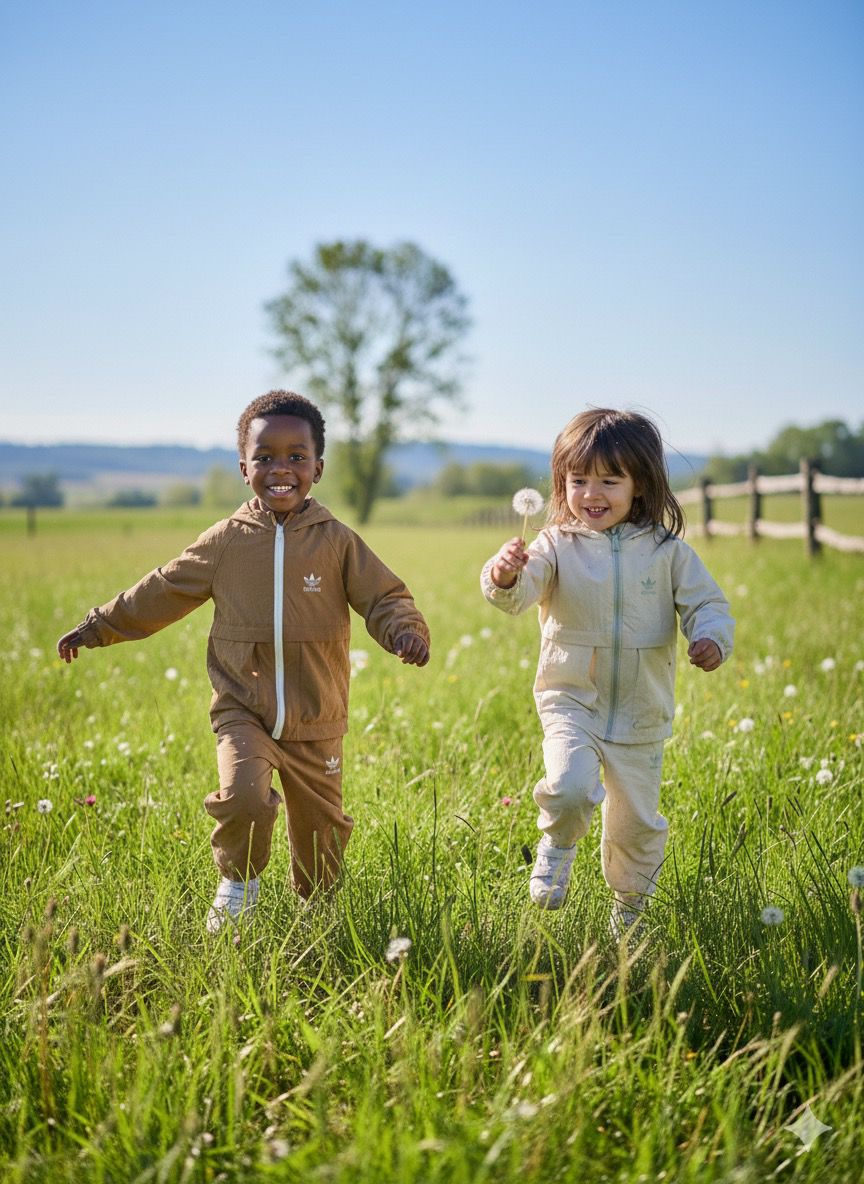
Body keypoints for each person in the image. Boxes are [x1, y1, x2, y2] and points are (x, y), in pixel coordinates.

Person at [58, 391, 430, 933]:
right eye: (265, 457)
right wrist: (98, 626)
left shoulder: (337, 542)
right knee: (242, 798)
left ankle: (317, 912)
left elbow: (385, 597)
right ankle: (237, 887)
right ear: (243, 468)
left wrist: (405, 631)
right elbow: (162, 589)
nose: (281, 469)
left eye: (297, 456)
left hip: (317, 714)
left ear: (318, 468)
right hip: (243, 709)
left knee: (322, 833)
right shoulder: (226, 542)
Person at [481, 409, 733, 937]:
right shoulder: (554, 545)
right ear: (562, 483)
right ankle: (558, 844)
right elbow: (520, 593)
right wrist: (504, 575)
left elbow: (707, 603)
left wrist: (710, 637)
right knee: (569, 785)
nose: (591, 494)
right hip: (571, 698)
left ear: (640, 484)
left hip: (642, 709)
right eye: (578, 480)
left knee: (636, 824)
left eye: (609, 481)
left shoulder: (668, 552)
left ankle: (631, 910)